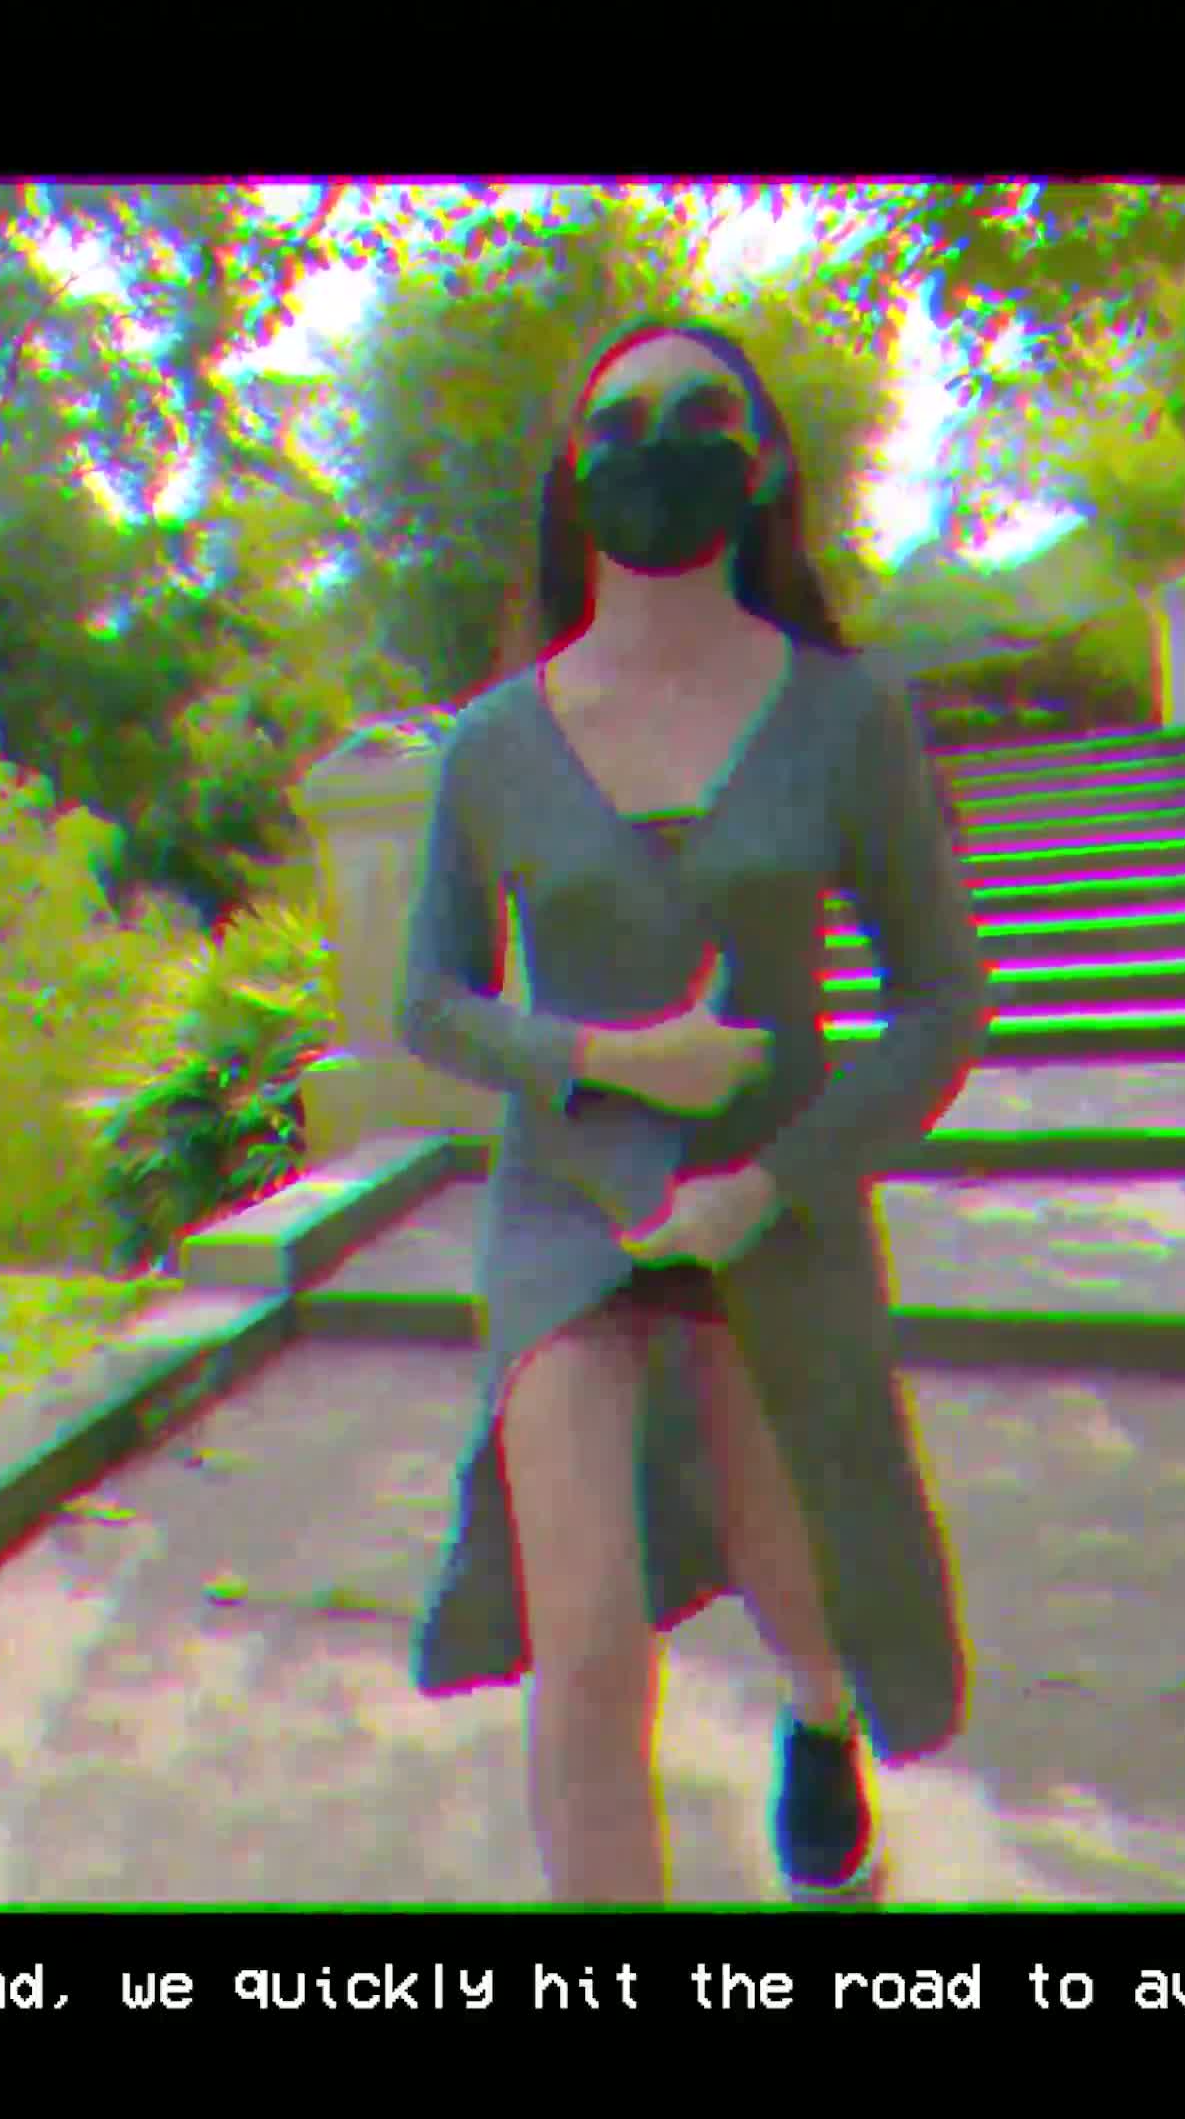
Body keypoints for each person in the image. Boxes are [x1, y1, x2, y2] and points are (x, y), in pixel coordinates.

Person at [397, 316, 995, 1904]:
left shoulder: (846, 718)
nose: (658, 443)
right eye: (620, 420)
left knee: (797, 1568)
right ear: (572, 472)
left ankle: (819, 1717)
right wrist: (606, 1059)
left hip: (773, 1209)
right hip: (570, 1212)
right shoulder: (494, 743)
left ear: (766, 459)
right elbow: (428, 1001)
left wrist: (772, 1183)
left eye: (700, 411)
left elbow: (943, 1004)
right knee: (587, 1640)